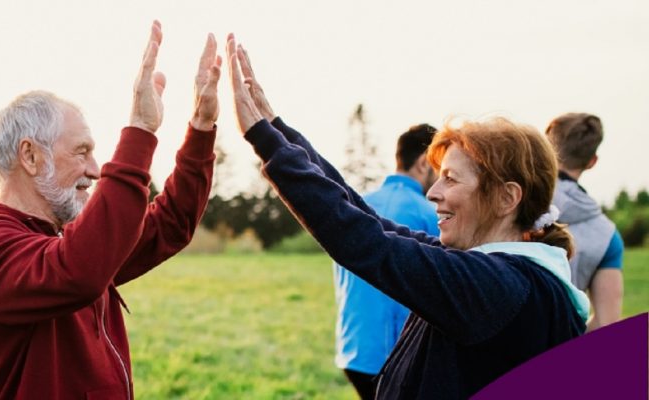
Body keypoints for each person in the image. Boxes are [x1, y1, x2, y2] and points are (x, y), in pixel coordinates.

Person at [226, 36, 587, 398]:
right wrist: (278, 133)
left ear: (506, 197)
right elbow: (368, 219)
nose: (432, 192)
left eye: (451, 179)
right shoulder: (496, 273)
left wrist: (263, 138)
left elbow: (367, 242)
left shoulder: (497, 287)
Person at [0, 22, 219, 399]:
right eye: (81, 152)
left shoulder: (63, 242)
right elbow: (77, 271)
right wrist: (139, 130)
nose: (95, 169)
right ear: (30, 156)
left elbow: (169, 225)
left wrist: (201, 130)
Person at [332, 124, 439, 399]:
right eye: (441, 166)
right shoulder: (431, 214)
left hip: (353, 348)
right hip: (395, 353)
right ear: (424, 163)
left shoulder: (356, 204)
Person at [545, 113, 624, 331]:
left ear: (545, 148)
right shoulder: (608, 236)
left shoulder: (510, 201)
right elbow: (606, 324)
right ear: (592, 162)